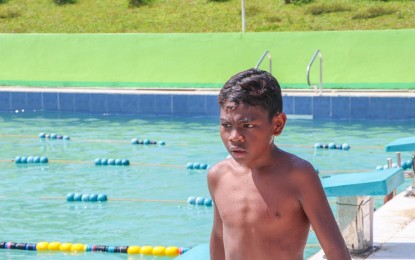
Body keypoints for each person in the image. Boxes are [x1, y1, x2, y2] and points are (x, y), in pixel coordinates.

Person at [207, 68, 351, 260]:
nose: (235, 137)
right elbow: (219, 236)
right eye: (226, 125)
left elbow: (334, 250)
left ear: (277, 124)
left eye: (247, 126)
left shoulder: (298, 176)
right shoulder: (218, 176)